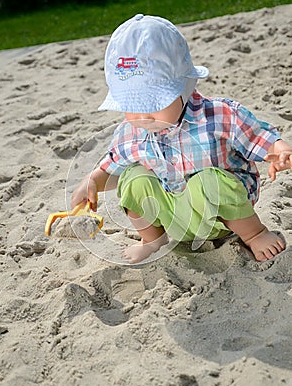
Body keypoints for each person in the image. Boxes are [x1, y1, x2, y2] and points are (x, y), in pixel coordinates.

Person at [71, 14, 292, 264]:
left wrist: (280, 150)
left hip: (224, 215)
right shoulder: (130, 133)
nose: (143, 115)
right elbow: (112, 166)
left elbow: (258, 135)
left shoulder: (218, 116)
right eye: (132, 105)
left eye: (155, 102)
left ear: (185, 86)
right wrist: (91, 183)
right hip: (173, 213)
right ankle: (152, 240)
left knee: (210, 182)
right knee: (133, 179)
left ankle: (255, 234)